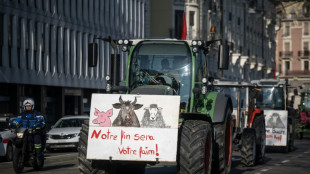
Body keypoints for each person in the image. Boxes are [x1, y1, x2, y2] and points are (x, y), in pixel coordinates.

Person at [11, 98, 46, 166]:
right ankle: (19, 155)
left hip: (34, 132)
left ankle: (38, 156)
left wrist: (38, 126)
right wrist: (13, 124)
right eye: (27, 106)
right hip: (24, 132)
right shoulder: (22, 114)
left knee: (37, 140)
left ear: (32, 106)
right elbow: (17, 121)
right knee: (17, 139)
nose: (28, 107)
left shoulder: (37, 114)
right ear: (24, 106)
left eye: (29, 106)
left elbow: (42, 122)